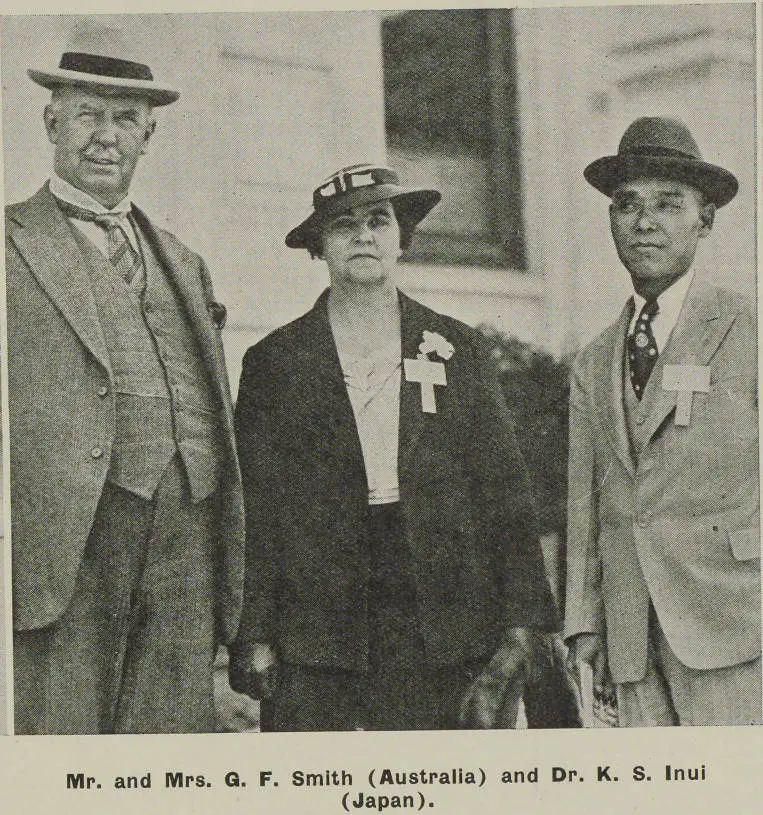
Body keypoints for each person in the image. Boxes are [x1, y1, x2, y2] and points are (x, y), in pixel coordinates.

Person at [230, 164, 558, 731]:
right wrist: (253, 631)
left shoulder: (457, 348)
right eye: (342, 225)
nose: (363, 236)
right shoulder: (276, 362)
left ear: (402, 238)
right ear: (319, 247)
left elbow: (504, 490)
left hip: (441, 611)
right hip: (318, 619)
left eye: (378, 221)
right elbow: (257, 509)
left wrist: (524, 622)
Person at [7, 24, 244, 734]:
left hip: (187, 540)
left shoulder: (183, 259)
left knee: (169, 751)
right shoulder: (8, 243)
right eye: (88, 113)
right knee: (62, 745)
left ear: (149, 137)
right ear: (52, 121)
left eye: (125, 119)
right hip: (62, 549)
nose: (105, 136)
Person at [564, 117, 760, 726]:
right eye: (627, 206)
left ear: (705, 220)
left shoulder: (746, 330)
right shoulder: (594, 359)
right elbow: (585, 503)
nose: (644, 222)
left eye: (668, 204)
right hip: (630, 636)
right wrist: (582, 622)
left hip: (735, 621)